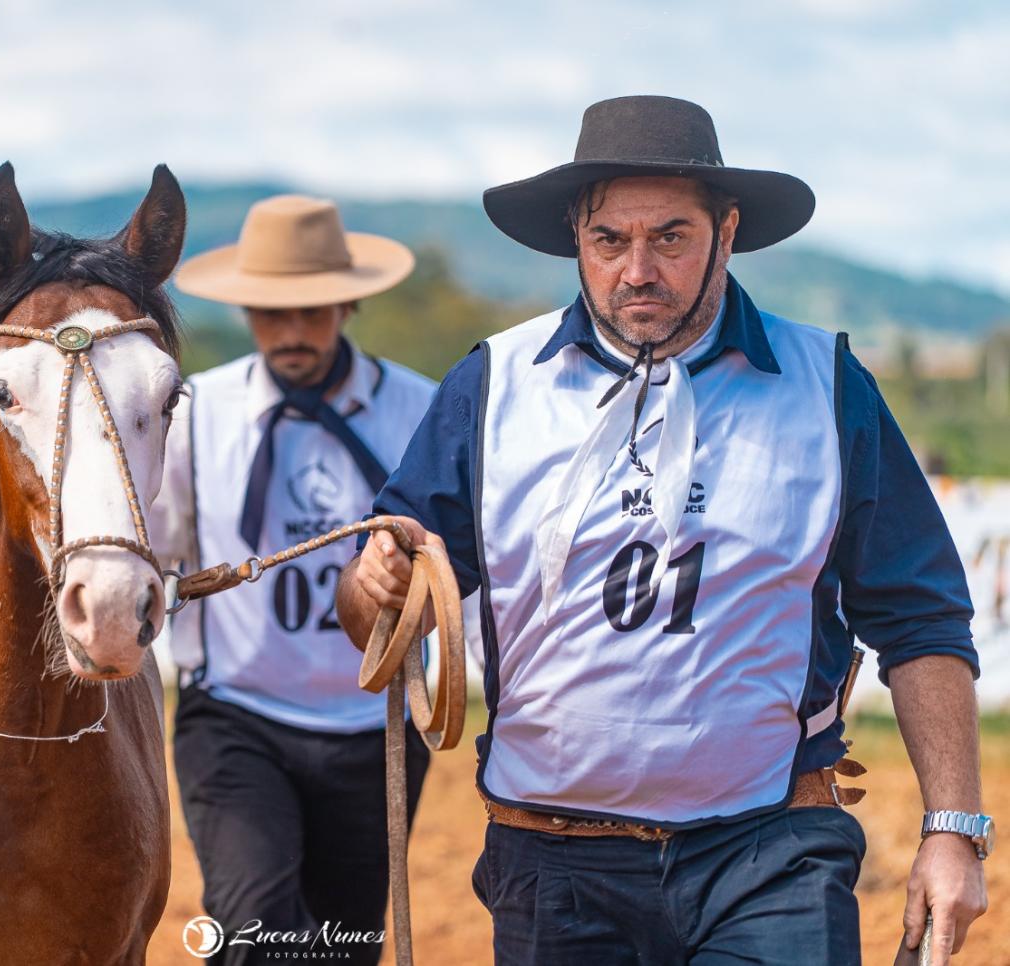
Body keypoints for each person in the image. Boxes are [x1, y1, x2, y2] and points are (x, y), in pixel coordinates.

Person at [336, 95, 990, 965]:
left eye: (671, 237)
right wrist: (373, 585)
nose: (637, 269)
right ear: (577, 235)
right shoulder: (491, 387)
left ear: (727, 230)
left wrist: (953, 830)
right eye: (610, 240)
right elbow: (383, 622)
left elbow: (922, 617)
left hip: (771, 854)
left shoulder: (825, 385)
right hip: (552, 863)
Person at [153, 195, 439, 963]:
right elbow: (158, 545)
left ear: (348, 301)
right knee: (254, 929)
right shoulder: (195, 412)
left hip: (375, 730)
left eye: (310, 311)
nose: (291, 333)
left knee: (347, 944)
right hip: (237, 718)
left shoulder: (420, 410)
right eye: (270, 313)